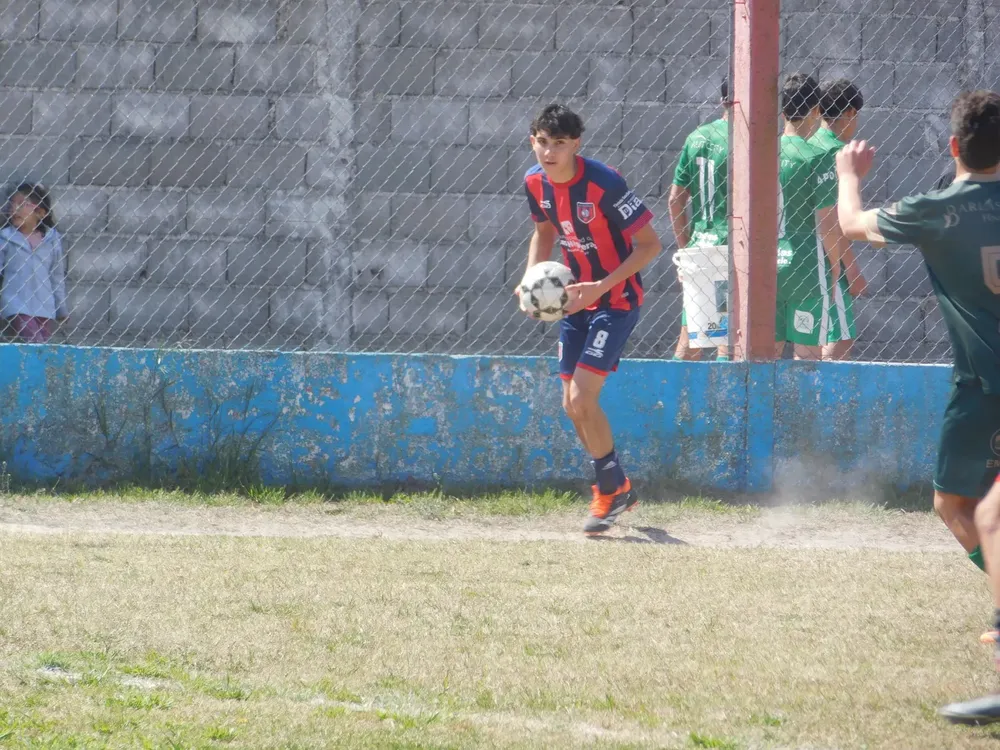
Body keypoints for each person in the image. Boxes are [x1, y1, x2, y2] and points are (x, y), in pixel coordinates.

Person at [835, 90, 1000, 658]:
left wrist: (848, 171)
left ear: (953, 145)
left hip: (982, 386)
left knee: (955, 505)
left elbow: (851, 224)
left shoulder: (937, 209)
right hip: (980, 388)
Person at [517, 103, 662, 535]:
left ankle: (609, 490)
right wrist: (531, 279)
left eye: (559, 144)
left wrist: (600, 287)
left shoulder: (604, 183)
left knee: (582, 399)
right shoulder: (534, 182)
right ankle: (616, 485)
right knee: (571, 405)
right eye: (542, 142)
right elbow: (544, 232)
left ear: (576, 145)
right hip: (572, 301)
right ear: (533, 141)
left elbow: (649, 245)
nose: (549, 152)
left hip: (615, 300)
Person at [775, 72, 844, 360]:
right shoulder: (817, 156)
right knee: (807, 358)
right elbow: (827, 221)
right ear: (816, 111)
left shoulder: (763, 151)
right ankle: (801, 407)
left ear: (782, 111)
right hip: (806, 262)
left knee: (765, 354)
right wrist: (836, 265)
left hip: (767, 260)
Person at [668, 77, 731, 361]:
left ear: (723, 101)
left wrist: (684, 249)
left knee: (691, 337)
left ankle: (670, 401)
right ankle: (724, 404)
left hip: (698, 247)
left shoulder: (697, 136)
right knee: (729, 341)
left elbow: (675, 199)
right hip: (731, 248)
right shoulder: (748, 139)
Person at [808, 78, 868, 360]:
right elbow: (830, 221)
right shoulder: (835, 153)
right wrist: (851, 271)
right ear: (849, 114)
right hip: (826, 259)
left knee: (810, 337)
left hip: (794, 251)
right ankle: (820, 401)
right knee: (840, 338)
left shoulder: (805, 143)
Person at [0, 184, 68, 343]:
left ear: (40, 213)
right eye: (12, 204)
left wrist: (61, 308)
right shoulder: (5, 239)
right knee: (34, 342)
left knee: (40, 345)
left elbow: (57, 276)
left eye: (22, 204)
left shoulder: (52, 240)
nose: (14, 209)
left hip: (45, 307)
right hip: (16, 304)